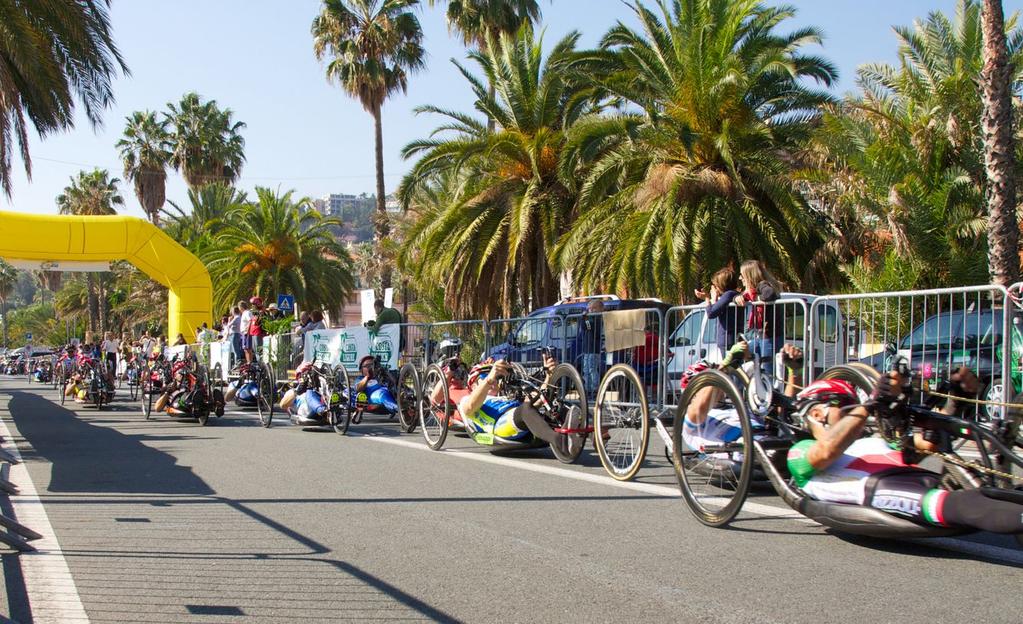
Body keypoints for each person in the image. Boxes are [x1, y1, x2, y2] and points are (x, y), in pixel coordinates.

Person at [788, 367, 1023, 535]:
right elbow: (825, 452)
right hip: (885, 492)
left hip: (926, 482)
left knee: (999, 493)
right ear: (817, 414)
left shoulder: (869, 442)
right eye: (846, 407)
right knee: (969, 505)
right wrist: (869, 405)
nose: (854, 415)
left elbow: (927, 444)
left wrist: (956, 397)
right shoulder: (800, 451)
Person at [431, 353, 561, 445]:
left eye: (496, 376)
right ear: (474, 383)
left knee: (550, 408)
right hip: (500, 426)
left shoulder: (504, 397)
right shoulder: (467, 399)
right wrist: (488, 379)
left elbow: (536, 400)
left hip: (519, 421)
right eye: (483, 376)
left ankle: (572, 429)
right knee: (525, 409)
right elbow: (469, 408)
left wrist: (549, 377)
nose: (494, 379)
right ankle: (559, 440)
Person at [733, 260, 783, 363]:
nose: (740, 278)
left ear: (749, 275)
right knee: (740, 359)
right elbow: (736, 297)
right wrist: (737, 298)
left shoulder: (762, 285)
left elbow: (769, 294)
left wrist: (756, 299)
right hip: (759, 337)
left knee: (768, 370)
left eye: (742, 275)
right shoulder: (751, 291)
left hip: (770, 337)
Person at [696, 266, 744, 360]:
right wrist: (712, 298)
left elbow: (711, 313)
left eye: (716, 285)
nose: (715, 287)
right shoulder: (732, 295)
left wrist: (707, 298)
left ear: (722, 284)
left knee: (731, 369)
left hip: (728, 339)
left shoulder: (729, 294)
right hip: (730, 338)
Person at [579, 300, 605, 395]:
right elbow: (584, 327)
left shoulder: (597, 318)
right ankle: (587, 388)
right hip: (587, 349)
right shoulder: (590, 318)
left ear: (600, 309)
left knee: (592, 369)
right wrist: (584, 318)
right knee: (586, 369)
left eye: (593, 308)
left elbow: (589, 327)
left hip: (594, 349)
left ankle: (595, 388)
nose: (591, 310)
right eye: (589, 308)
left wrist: (585, 318)